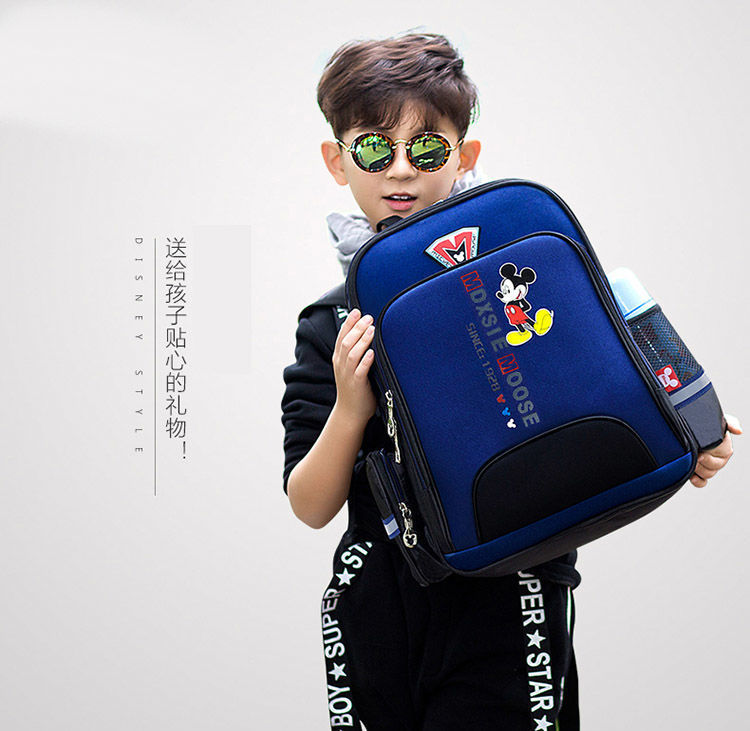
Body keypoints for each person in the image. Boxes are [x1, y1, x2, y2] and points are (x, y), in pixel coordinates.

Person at [280, 32, 740, 731]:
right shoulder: (330, 323)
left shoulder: (525, 263)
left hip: (515, 589)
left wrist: (692, 435)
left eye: (426, 148)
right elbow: (310, 505)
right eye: (373, 147)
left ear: (465, 156)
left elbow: (617, 376)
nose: (399, 169)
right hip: (376, 603)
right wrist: (350, 407)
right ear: (336, 159)